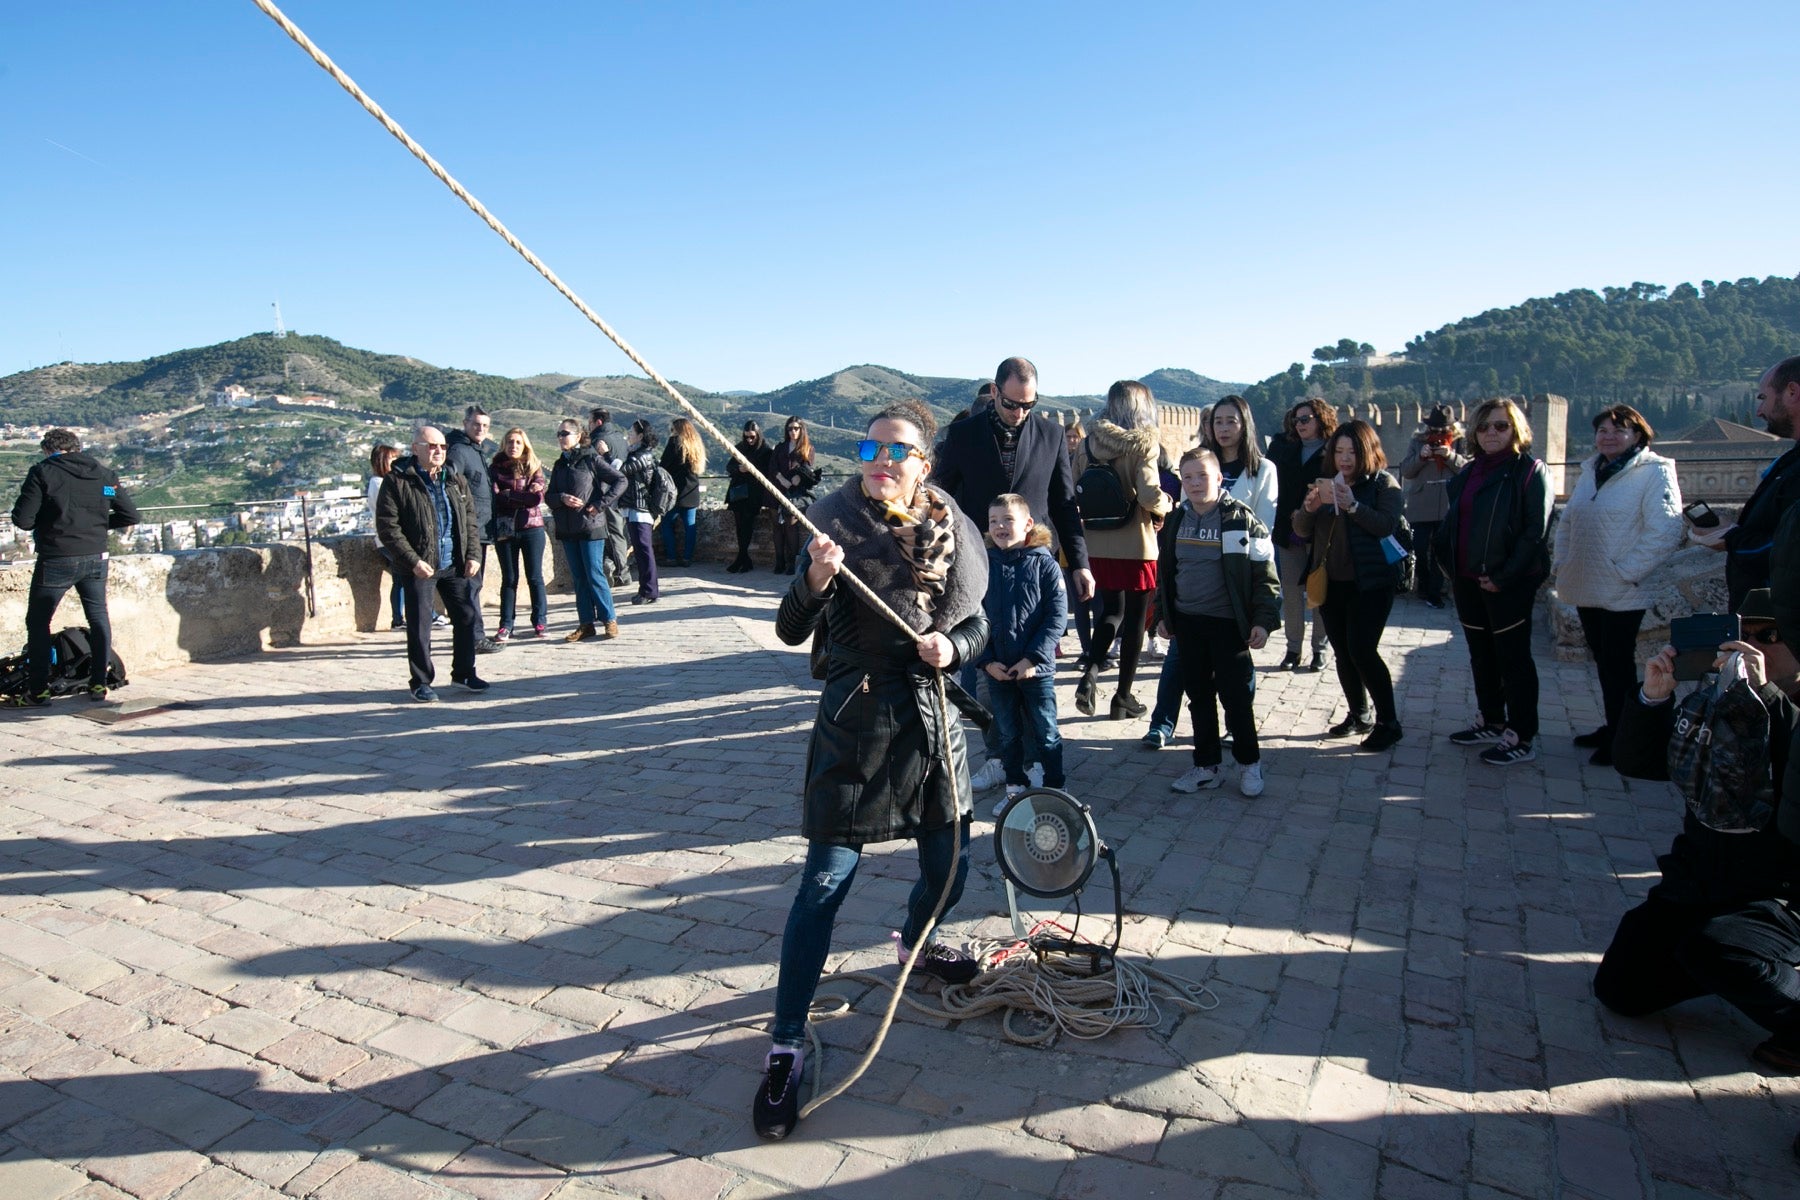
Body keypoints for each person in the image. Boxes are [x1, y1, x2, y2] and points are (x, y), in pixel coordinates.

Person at [755, 399, 989, 1141]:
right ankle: (787, 1043)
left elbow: (979, 623)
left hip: (931, 717)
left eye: (899, 452)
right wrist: (818, 580)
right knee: (823, 883)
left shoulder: (954, 529)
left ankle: (912, 941)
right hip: (855, 721)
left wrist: (954, 651)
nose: (882, 462)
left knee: (950, 866)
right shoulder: (834, 524)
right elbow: (790, 629)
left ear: (925, 465)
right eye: (871, 448)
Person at [1596, 591, 1800, 1071]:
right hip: (1700, 881)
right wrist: (1654, 697)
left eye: (1769, 636)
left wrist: (1767, 701)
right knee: (1621, 989)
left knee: (1719, 950)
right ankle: (1723, 962)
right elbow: (1637, 763)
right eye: (1741, 634)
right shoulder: (1719, 699)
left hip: (1780, 893)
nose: (1750, 647)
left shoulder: (1771, 704)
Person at [937, 357, 1091, 791]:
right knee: (982, 672)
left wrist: (1079, 563)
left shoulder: (1051, 433)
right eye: (1011, 403)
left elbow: (1063, 503)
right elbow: (943, 497)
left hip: (1033, 567)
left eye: (1029, 403)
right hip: (977, 565)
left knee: (1031, 671)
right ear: (994, 392)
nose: (1020, 412)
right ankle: (998, 757)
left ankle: (1031, 761)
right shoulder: (964, 435)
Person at [1553, 404, 1684, 764]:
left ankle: (1627, 737)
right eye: (1602, 430)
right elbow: (1569, 523)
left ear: (1637, 435)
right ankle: (1615, 726)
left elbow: (1667, 528)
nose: (1608, 436)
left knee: (1618, 663)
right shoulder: (1591, 471)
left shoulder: (1654, 472)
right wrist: (1562, 562)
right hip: (1587, 584)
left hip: (1623, 588)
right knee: (1604, 660)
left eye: (1618, 429)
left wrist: (1625, 571)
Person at [1435, 398, 1554, 765]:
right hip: (1468, 580)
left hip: (1508, 583)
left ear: (1516, 430)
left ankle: (1521, 734)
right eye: (1484, 426)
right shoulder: (1471, 471)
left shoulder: (1531, 471)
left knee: (1513, 660)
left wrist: (1503, 577)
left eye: (1500, 426)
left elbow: (1535, 532)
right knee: (1481, 656)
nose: (1491, 433)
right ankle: (1491, 719)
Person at [1157, 447, 1281, 794]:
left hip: (1228, 625)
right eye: (1188, 477)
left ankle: (1249, 763)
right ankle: (1206, 765)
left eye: (1202, 476)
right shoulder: (1177, 520)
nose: (1195, 483)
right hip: (1188, 623)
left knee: (1236, 698)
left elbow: (1265, 576)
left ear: (1217, 478)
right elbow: (1166, 573)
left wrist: (1263, 620)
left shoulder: (1240, 520)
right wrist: (1164, 615)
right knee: (1198, 697)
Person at [1293, 419, 1407, 752]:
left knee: (1363, 650)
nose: (1345, 458)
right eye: (1339, 451)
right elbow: (1301, 530)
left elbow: (1385, 524)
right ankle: (1360, 714)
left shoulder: (1384, 484)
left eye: (1352, 452)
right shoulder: (1326, 484)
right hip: (1332, 582)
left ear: (1368, 451)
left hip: (1371, 583)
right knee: (1344, 652)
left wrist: (1354, 505)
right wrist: (1310, 507)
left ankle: (1390, 722)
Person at [7, 428, 140, 707]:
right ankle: (98, 684)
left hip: (57, 557)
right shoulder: (104, 473)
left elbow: (23, 520)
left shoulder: (43, 472)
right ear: (77, 447)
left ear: (48, 449)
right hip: (96, 556)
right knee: (98, 617)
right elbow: (130, 515)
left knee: (38, 622)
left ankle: (39, 690)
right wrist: (97, 526)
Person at [1071, 380, 1174, 719]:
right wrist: (1167, 505)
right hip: (1136, 544)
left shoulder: (1087, 445)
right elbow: (1148, 496)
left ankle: (1092, 671)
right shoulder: (1143, 445)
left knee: (1110, 613)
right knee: (1134, 623)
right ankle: (1123, 698)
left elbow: (1074, 488)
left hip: (1097, 543)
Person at [375, 425, 488, 702]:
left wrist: (473, 554)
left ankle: (463, 672)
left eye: (442, 446)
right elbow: (389, 527)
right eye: (431, 446)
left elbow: (469, 521)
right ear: (416, 449)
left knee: (466, 617)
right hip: (420, 566)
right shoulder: (397, 481)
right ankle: (421, 681)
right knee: (420, 625)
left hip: (454, 562)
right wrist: (412, 561)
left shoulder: (454, 478)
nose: (438, 451)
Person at [977, 494, 1067, 816]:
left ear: (1028, 524)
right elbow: (975, 617)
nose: (1001, 527)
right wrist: (986, 661)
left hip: (1036, 670)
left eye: (1008, 520)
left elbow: (1056, 617)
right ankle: (1015, 788)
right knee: (1008, 732)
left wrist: (1034, 659)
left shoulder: (1044, 563)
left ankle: (1056, 788)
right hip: (998, 669)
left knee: (1045, 730)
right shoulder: (984, 564)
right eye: (994, 521)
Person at [1692, 356, 1800, 610]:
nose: (1759, 411)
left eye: (1763, 397)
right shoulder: (1791, 460)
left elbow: (1785, 552)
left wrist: (1730, 538)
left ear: (1792, 392)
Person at [1267, 400, 1337, 672]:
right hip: (1287, 530)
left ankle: (1320, 649)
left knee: (1318, 592)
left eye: (1306, 419)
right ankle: (1293, 649)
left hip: (1321, 532)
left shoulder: (1333, 451)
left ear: (1321, 419)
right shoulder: (1283, 448)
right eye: (1297, 420)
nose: (1300, 424)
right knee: (1292, 594)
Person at [548, 419, 625, 642]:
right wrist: (561, 498)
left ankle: (609, 620)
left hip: (590, 526)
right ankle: (585, 623)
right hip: (567, 527)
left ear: (578, 435)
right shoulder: (559, 464)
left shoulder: (591, 459)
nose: (561, 437)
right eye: (558, 434)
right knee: (579, 578)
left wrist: (600, 504)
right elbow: (549, 495)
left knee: (594, 574)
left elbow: (620, 481)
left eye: (565, 433)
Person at [444, 405, 504, 654]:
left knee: (474, 585)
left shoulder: (475, 450)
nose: (481, 429)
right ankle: (474, 637)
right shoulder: (459, 450)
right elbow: (450, 480)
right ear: (465, 423)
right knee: (470, 586)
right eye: (476, 424)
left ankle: (475, 634)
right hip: (469, 532)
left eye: (485, 426)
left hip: (480, 530)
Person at [1398, 406, 1469, 610]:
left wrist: (1450, 456)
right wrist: (1421, 456)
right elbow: (1406, 471)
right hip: (1421, 504)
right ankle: (1424, 582)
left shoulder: (1459, 442)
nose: (1438, 434)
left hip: (1447, 504)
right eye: (1435, 430)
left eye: (1442, 430)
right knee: (1419, 547)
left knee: (1440, 550)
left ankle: (1434, 593)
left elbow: (1468, 469)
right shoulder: (1418, 441)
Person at [489, 427, 549, 639]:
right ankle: (506, 624)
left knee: (535, 577)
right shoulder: (495, 469)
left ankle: (540, 621)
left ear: (524, 445)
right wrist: (520, 496)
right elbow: (496, 498)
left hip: (532, 527)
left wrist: (510, 495)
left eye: (517, 442)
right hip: (506, 529)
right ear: (504, 444)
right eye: (510, 442)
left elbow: (535, 499)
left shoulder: (534, 468)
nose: (513, 446)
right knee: (509, 578)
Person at [367, 444, 411, 631]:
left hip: (388, 538)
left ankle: (398, 619)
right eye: (392, 459)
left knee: (400, 579)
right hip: (389, 539)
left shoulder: (383, 482)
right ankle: (402, 618)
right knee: (406, 576)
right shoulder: (379, 483)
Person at [618, 419, 662, 605]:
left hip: (641, 509)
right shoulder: (637, 454)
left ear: (641, 436)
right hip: (635, 508)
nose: (628, 434)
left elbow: (622, 471)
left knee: (644, 551)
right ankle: (645, 589)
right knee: (641, 550)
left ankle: (649, 591)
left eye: (631, 431)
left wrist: (607, 455)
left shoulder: (643, 456)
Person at [771, 417, 820, 574]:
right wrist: (781, 479)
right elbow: (772, 466)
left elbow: (807, 468)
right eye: (790, 428)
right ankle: (779, 562)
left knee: (791, 524)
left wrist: (798, 477)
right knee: (777, 527)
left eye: (796, 428)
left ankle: (792, 562)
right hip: (776, 490)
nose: (793, 431)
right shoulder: (780, 447)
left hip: (796, 493)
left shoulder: (808, 449)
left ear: (802, 429)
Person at [726, 419, 774, 573]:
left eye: (752, 437)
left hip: (754, 494)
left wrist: (752, 470)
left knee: (747, 525)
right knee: (740, 527)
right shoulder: (740, 448)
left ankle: (742, 558)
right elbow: (729, 467)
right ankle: (744, 559)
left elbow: (768, 472)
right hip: (739, 493)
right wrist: (740, 469)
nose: (749, 440)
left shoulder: (765, 451)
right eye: (746, 437)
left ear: (758, 435)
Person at [659, 417, 705, 567]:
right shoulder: (696, 445)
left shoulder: (674, 443)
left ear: (677, 430)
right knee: (690, 526)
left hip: (675, 492)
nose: (671, 432)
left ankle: (671, 557)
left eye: (672, 429)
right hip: (691, 491)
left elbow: (663, 466)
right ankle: (687, 558)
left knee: (666, 523)